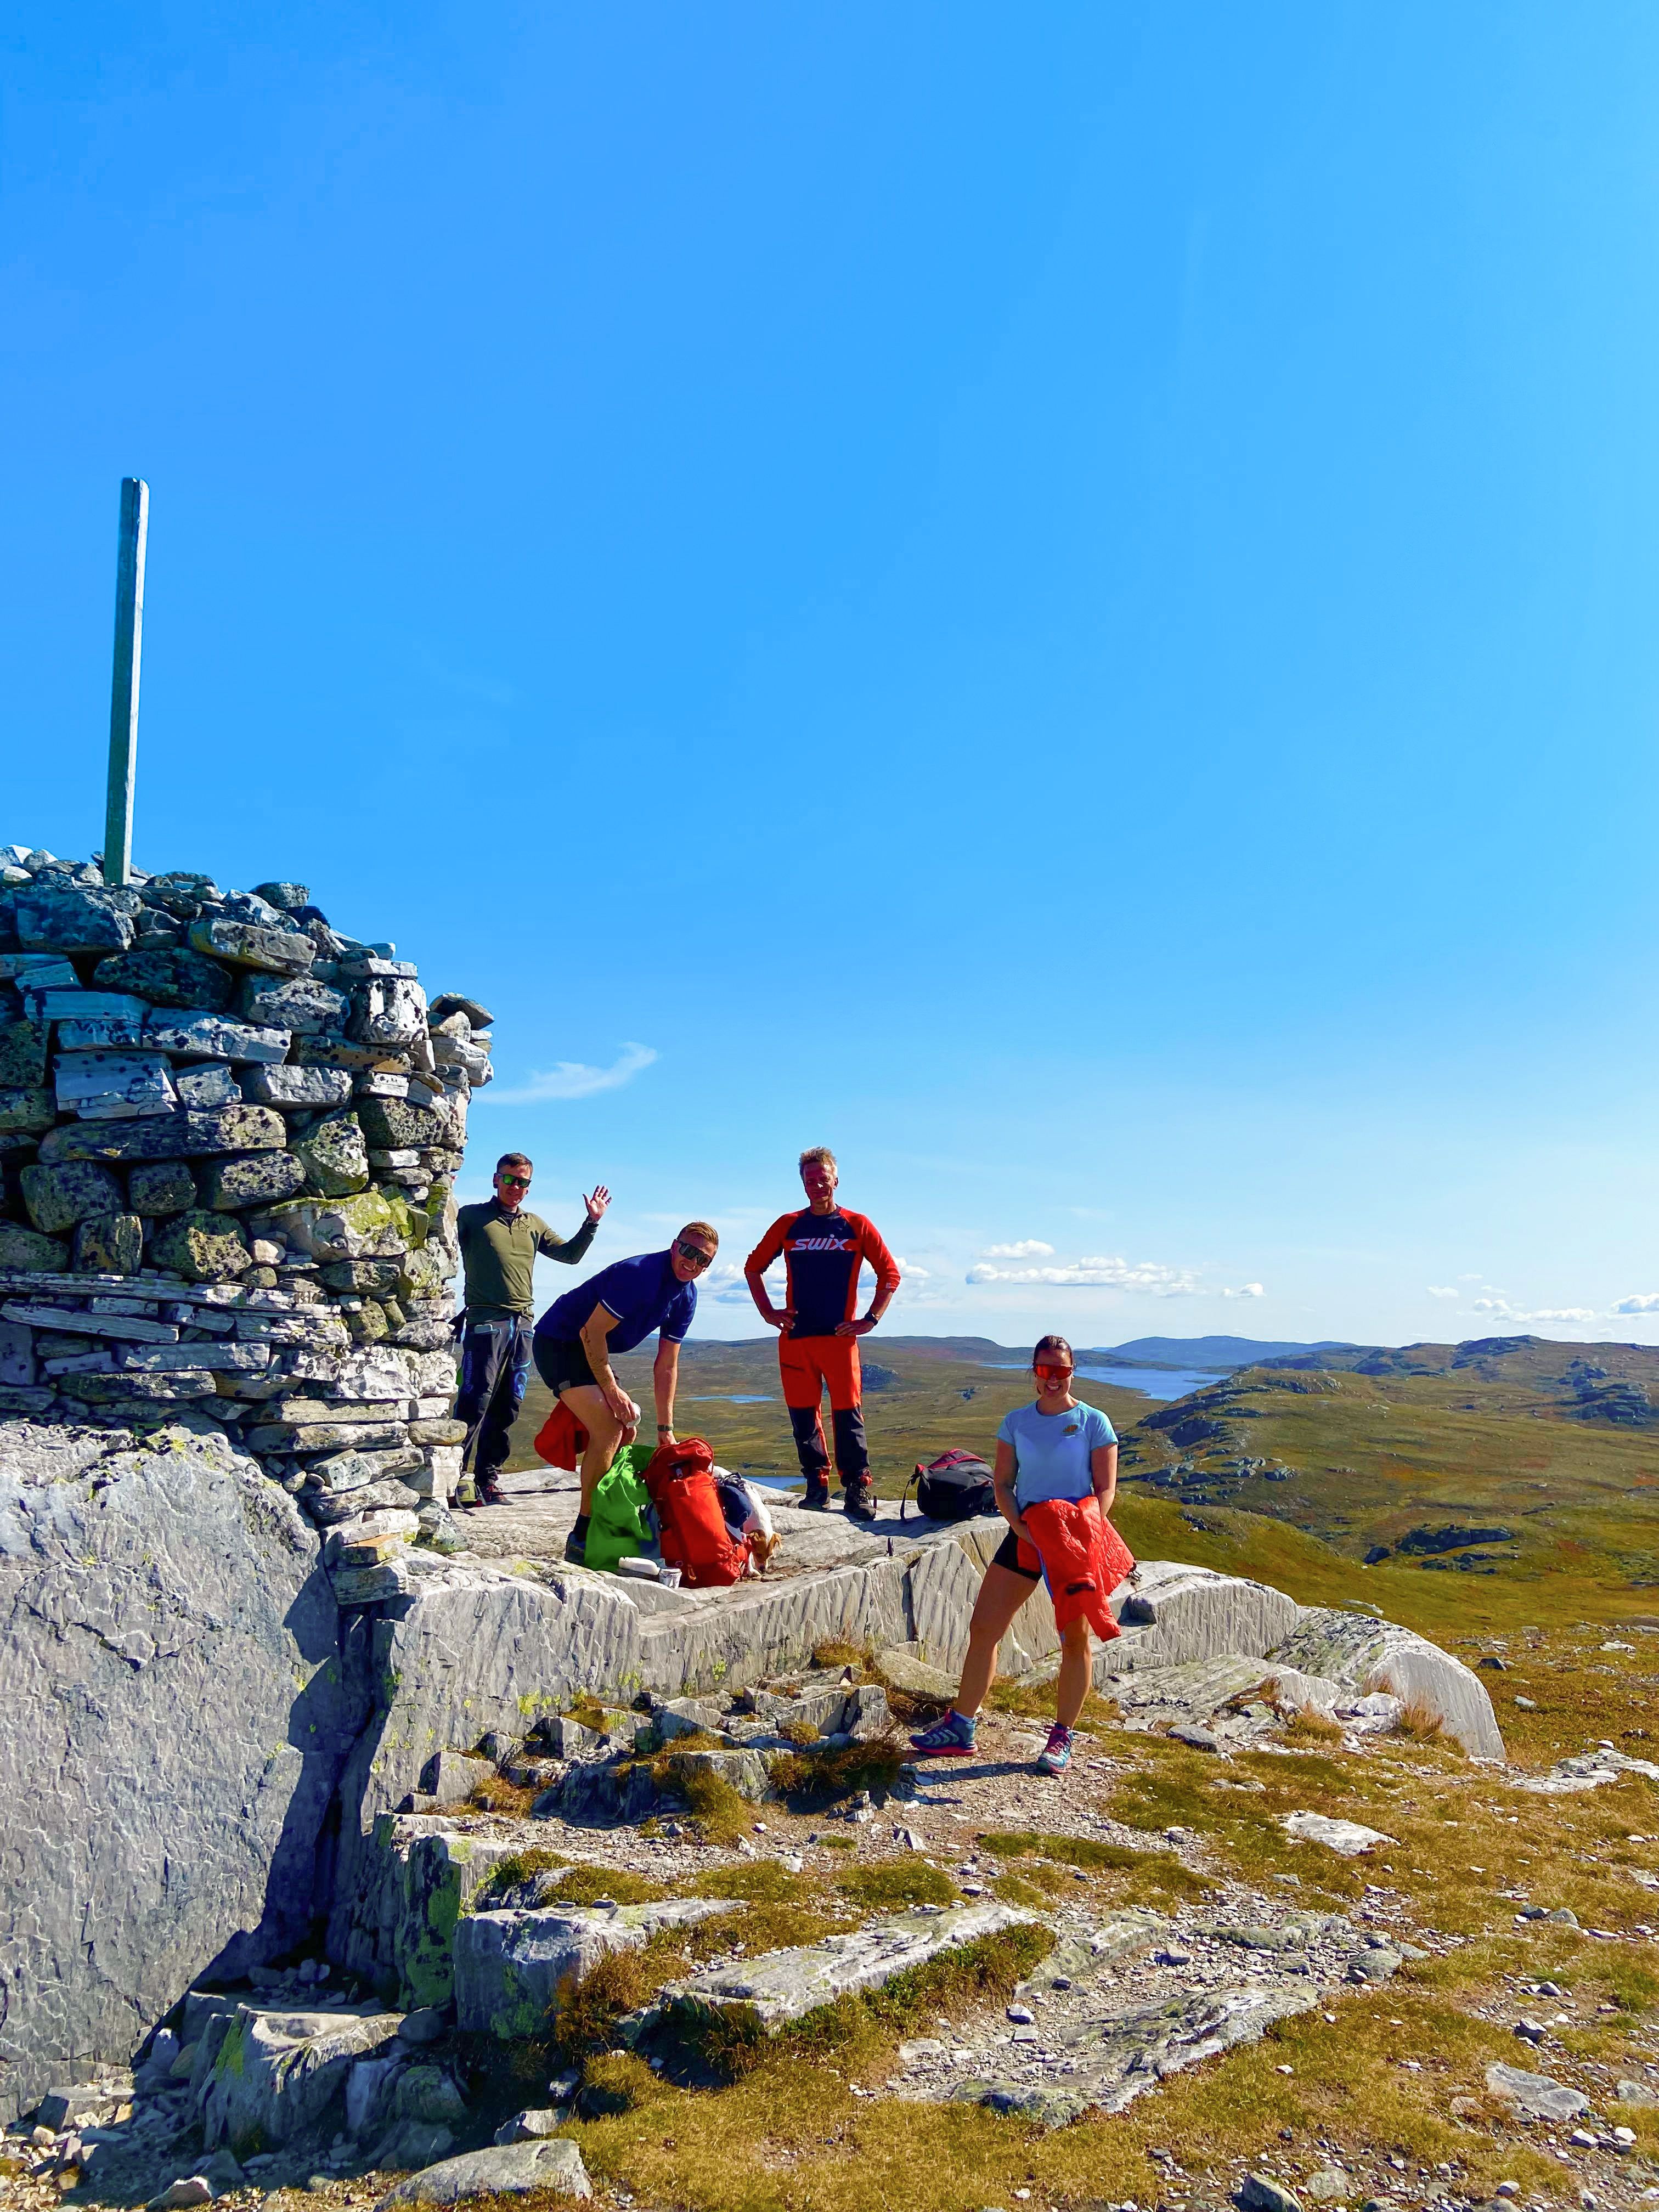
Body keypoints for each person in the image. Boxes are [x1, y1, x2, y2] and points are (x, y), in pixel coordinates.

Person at [910, 1334, 1119, 1776]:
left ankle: (1062, 1737)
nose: (1052, 1379)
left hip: (1076, 1541)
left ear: (1072, 1372)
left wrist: (1085, 1532)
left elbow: (1105, 1489)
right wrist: (1021, 1526)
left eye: (1060, 1371)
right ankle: (961, 1727)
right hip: (1027, 1535)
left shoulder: (1094, 1422)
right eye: (1044, 1371)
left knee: (1075, 1639)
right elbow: (1003, 1483)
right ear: (1034, 1372)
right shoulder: (1017, 1423)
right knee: (985, 1627)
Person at [532, 1221, 719, 1565]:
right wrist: (611, 1391)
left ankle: (610, 1508)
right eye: (689, 1251)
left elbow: (666, 1366)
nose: (693, 1263)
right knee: (609, 1425)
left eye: (704, 1261)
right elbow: (591, 1332)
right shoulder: (640, 1275)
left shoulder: (686, 1296)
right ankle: (584, 1533)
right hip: (560, 1342)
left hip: (589, 1347)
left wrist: (666, 1431)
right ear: (674, 1245)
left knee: (628, 1427)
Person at [743, 1147, 900, 1520]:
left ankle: (857, 1488)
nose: (817, 1185)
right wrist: (768, 1313)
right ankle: (817, 1486)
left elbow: (889, 1274)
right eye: (809, 1180)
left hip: (840, 1340)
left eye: (822, 1178)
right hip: (796, 1339)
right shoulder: (789, 1224)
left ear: (836, 1179)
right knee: (803, 1415)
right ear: (803, 1184)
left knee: (848, 1415)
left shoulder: (856, 1224)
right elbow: (753, 1267)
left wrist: (871, 1319)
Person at [454, 1154, 610, 1505]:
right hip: (485, 1322)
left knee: (508, 1404)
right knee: (475, 1400)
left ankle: (488, 1480)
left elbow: (570, 1256)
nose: (516, 1188)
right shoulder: (472, 1217)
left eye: (523, 1183)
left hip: (523, 1325)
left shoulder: (533, 1224)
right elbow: (440, 1238)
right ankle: (455, 1478)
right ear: (496, 1180)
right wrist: (444, 1198)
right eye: (510, 1180)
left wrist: (592, 1222)